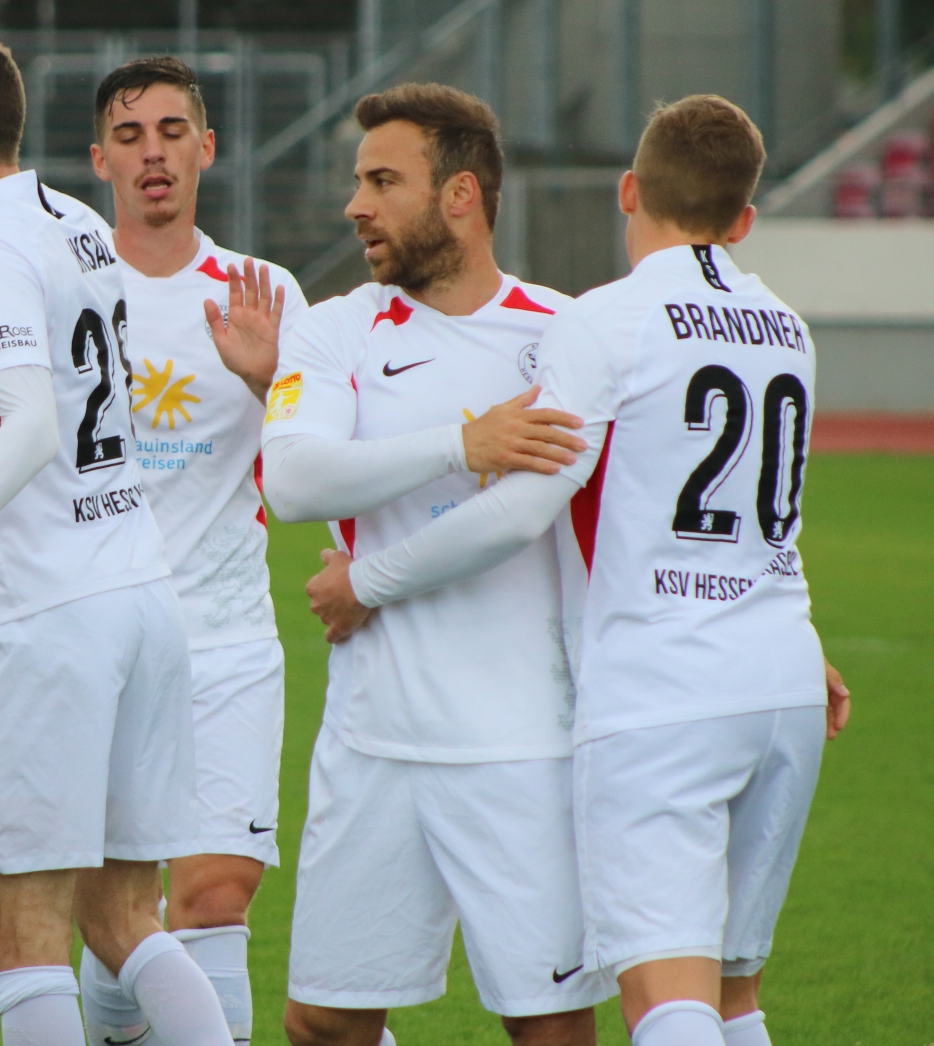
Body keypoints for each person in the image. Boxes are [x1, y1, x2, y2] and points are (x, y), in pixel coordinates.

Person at [304, 95, 852, 1046]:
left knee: (665, 999)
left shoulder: (603, 321)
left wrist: (367, 580)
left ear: (629, 191)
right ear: (745, 219)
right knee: (736, 997)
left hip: (664, 693)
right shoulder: (786, 327)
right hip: (784, 676)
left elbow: (521, 509)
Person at [242, 83, 619, 1045]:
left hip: (521, 743)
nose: (354, 205)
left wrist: (369, 579)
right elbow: (294, 479)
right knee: (323, 1023)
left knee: (549, 1028)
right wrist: (463, 443)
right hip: (372, 737)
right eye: (357, 181)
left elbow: (591, 520)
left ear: (460, 195)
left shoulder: (565, 333)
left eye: (382, 181)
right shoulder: (334, 327)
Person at [0, 28, 233, 1046]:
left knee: (24, 926)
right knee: (122, 917)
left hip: (50, 613)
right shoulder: (75, 220)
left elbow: (33, 421)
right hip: (141, 593)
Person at [73, 55, 307, 1046]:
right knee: (117, 917)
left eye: (173, 132)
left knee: (214, 895)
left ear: (207, 148)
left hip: (227, 640)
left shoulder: (263, 291)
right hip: (104, 640)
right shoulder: (66, 288)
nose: (153, 153)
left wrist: (268, 379)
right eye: (129, 136)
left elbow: (310, 466)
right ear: (100, 160)